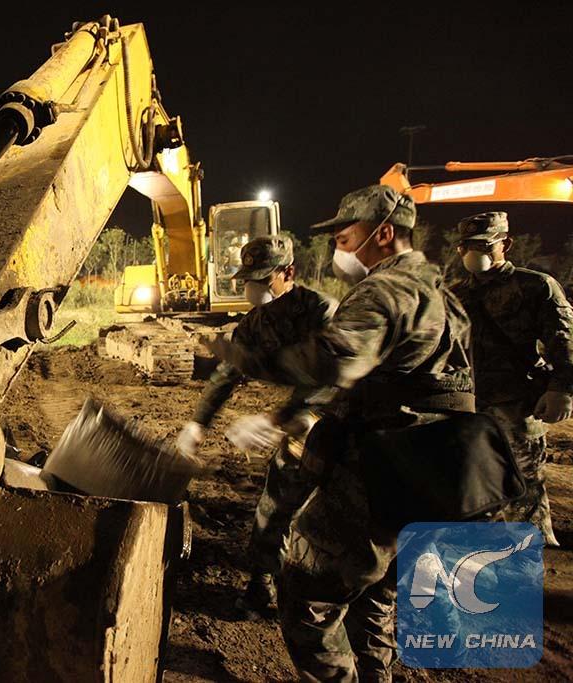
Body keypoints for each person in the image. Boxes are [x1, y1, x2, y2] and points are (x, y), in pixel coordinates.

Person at [220, 185, 474, 681]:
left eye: (345, 234)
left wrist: (248, 367)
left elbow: (332, 362)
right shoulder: (442, 292)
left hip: (384, 468)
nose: (337, 243)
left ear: (383, 233)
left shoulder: (385, 289)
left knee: (307, 592)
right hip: (440, 470)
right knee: (374, 597)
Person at [176, 235, 337, 612]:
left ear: (288, 273)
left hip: (340, 418)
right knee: (276, 502)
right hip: (298, 425)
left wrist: (282, 418)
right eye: (248, 280)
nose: (253, 288)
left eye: (262, 279)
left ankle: (328, 595)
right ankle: (263, 581)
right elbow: (227, 374)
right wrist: (198, 424)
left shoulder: (322, 312)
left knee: (335, 513)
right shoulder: (254, 324)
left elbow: (336, 375)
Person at [450, 211, 573, 546]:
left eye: (484, 244)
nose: (475, 252)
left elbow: (563, 339)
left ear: (505, 244)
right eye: (468, 245)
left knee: (523, 482)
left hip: (518, 405)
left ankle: (535, 550)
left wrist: (562, 388)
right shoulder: (455, 295)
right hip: (469, 405)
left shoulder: (535, 286)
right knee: (473, 482)